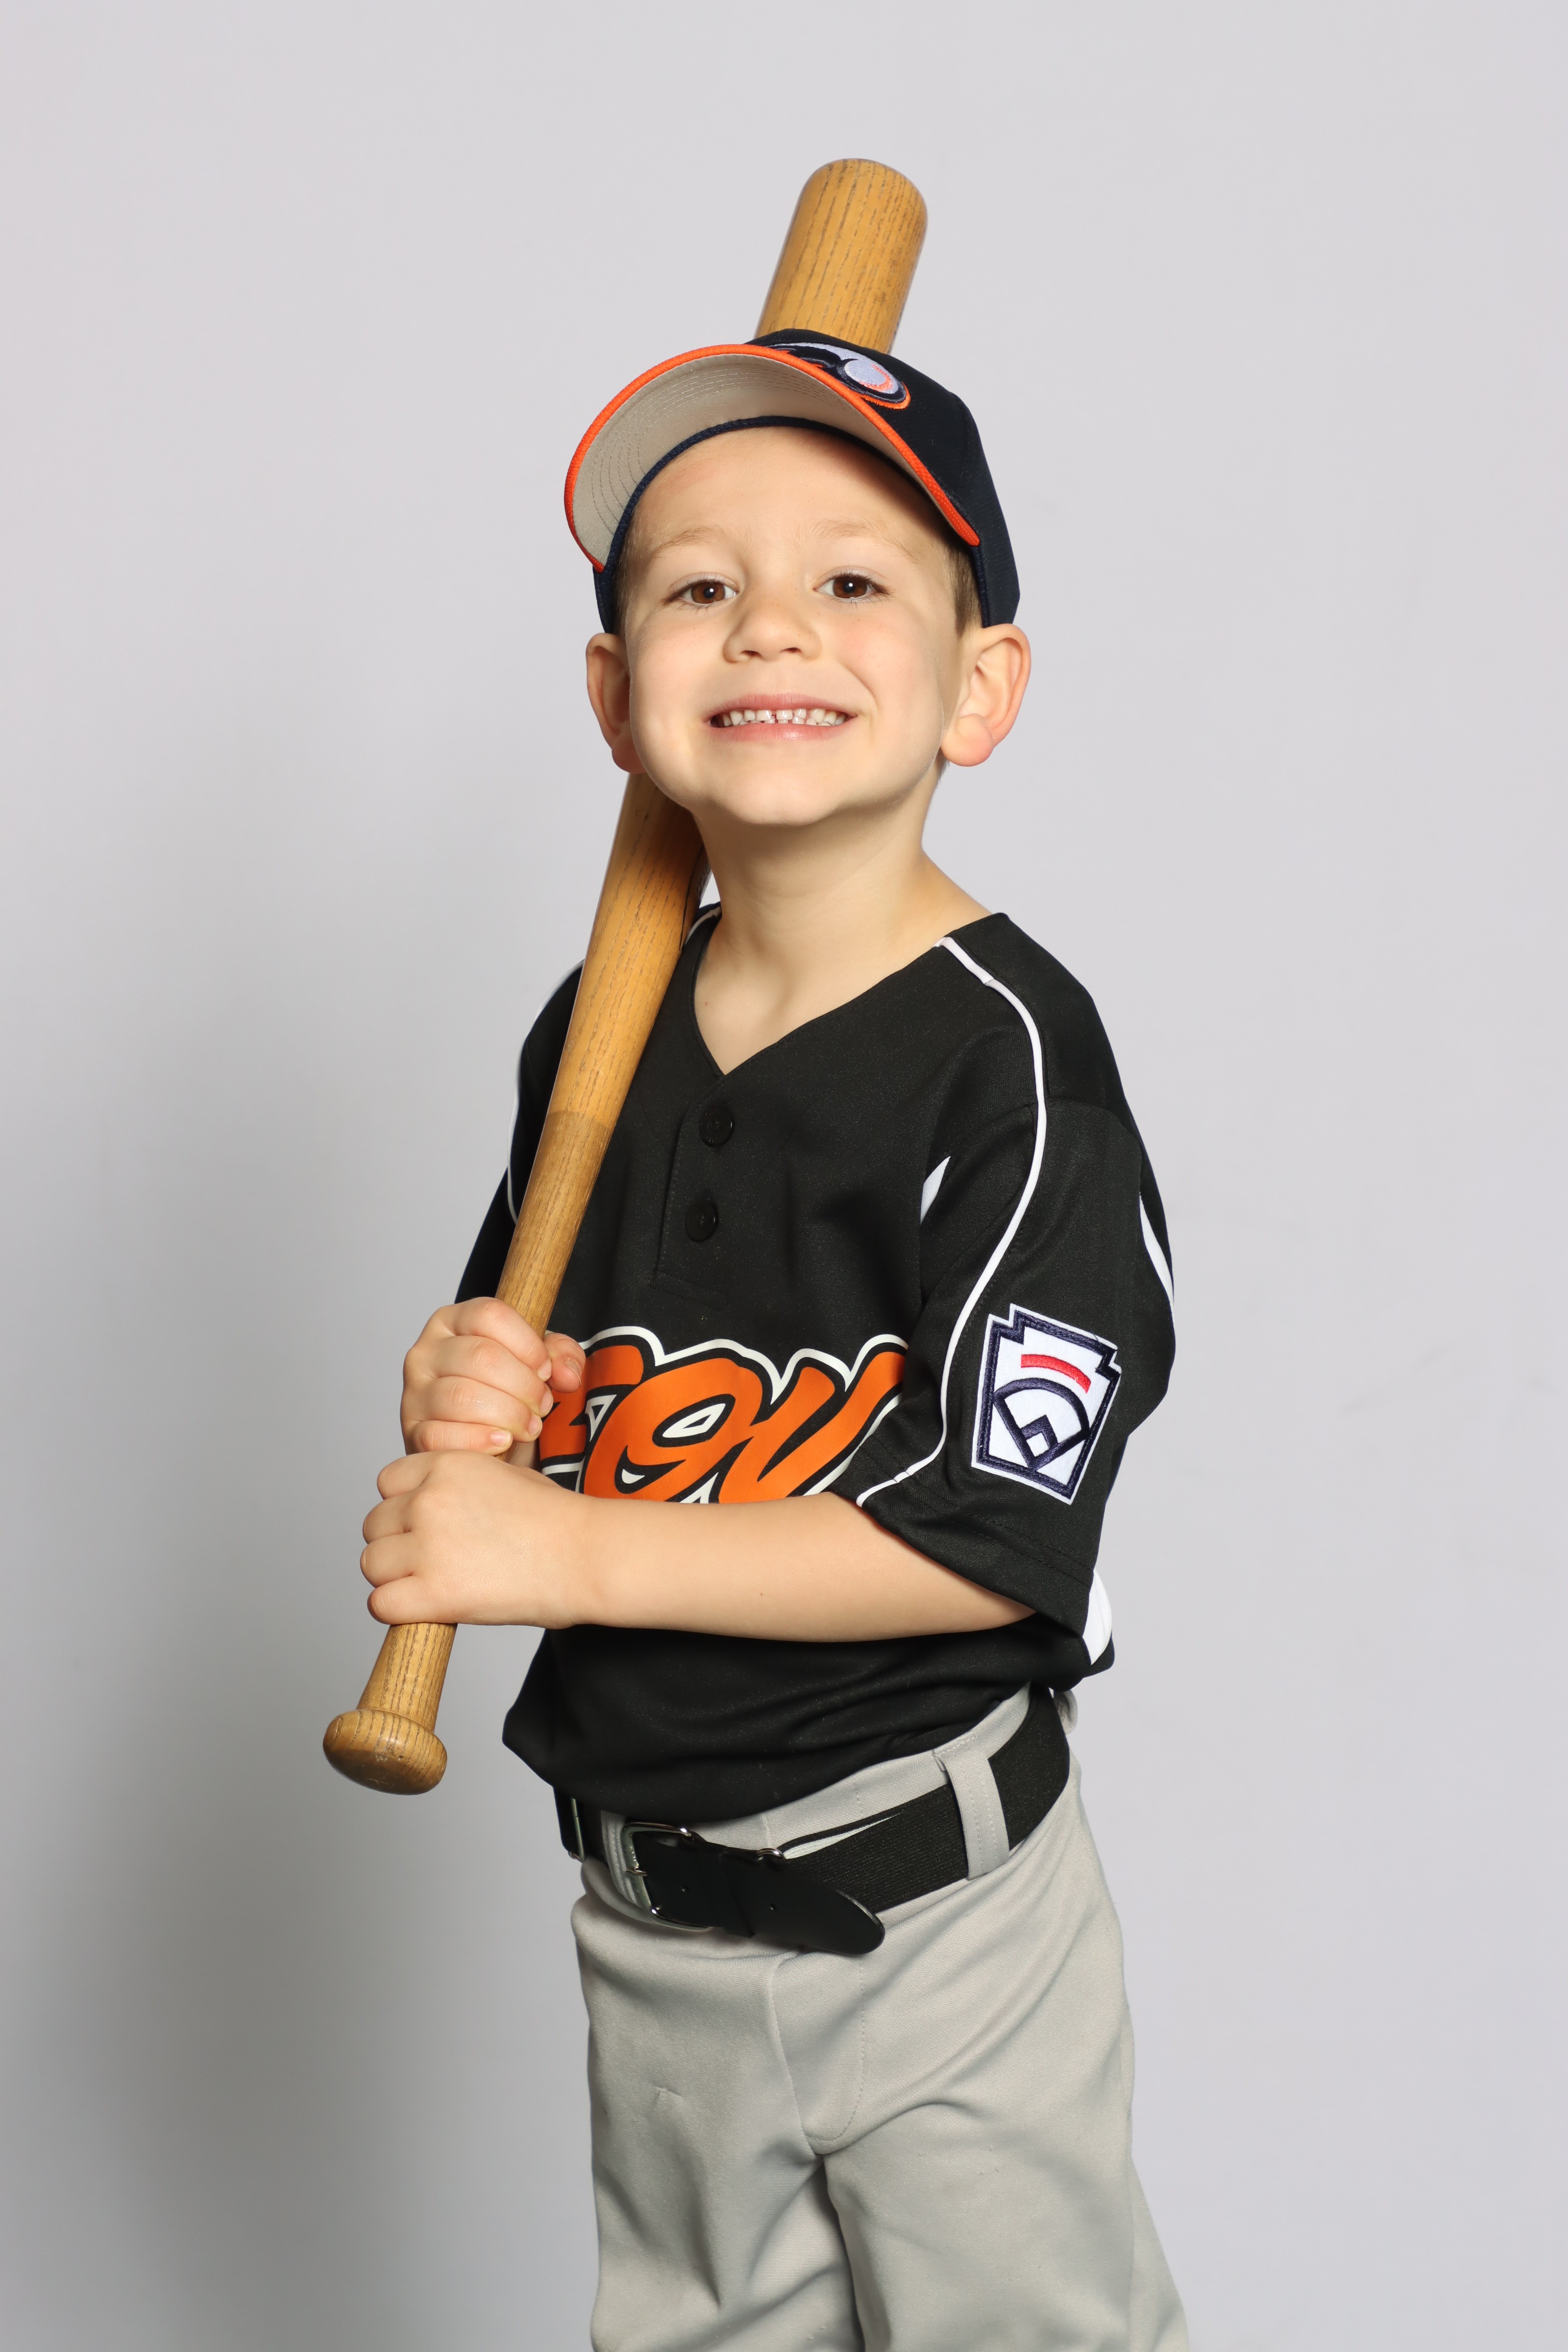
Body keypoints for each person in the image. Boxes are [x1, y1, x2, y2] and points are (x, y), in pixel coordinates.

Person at [359, 332, 1189, 2351]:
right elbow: (551, 1382)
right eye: (698, 585)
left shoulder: (1015, 1070)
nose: (769, 627)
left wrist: (563, 1552)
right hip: (647, 1923)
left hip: (936, 1922)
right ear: (614, 695)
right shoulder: (598, 1028)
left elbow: (988, 1540)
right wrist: (476, 1396)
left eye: (852, 579)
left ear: (979, 686)